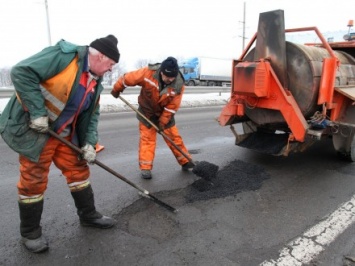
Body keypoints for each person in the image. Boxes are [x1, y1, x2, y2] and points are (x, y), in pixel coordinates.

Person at [0, 35, 120, 253]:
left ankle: (88, 215)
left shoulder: (95, 81)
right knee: (33, 181)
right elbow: (21, 71)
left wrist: (89, 144)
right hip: (37, 130)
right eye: (111, 64)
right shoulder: (64, 57)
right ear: (100, 56)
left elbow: (92, 115)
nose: (111, 69)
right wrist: (37, 112)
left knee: (79, 172)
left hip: (64, 134)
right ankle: (30, 233)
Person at [111, 56, 194, 179]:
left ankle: (186, 161)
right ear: (161, 72)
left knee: (174, 138)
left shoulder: (178, 84)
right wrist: (117, 89)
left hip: (165, 113)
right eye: (166, 76)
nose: (168, 80)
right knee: (147, 140)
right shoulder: (148, 73)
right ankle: (146, 168)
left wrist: (162, 122)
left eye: (171, 77)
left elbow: (172, 106)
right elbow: (127, 78)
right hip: (147, 112)